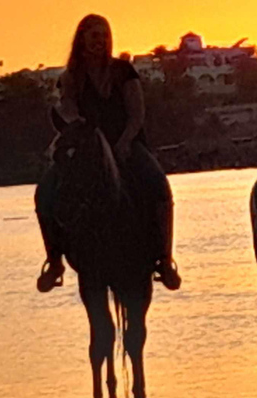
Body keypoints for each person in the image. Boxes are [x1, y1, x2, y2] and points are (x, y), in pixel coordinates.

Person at [35, 14, 181, 291]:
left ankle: (164, 258)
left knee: (157, 184)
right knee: (45, 191)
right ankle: (54, 261)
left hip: (125, 144)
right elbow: (69, 109)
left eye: (103, 35)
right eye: (93, 36)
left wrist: (125, 141)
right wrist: (77, 128)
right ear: (82, 40)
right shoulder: (70, 77)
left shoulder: (123, 71)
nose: (99, 41)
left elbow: (136, 113)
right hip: (88, 145)